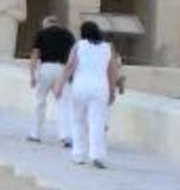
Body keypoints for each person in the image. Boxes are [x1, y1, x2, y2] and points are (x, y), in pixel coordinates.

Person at [58, 18, 117, 167]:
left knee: (78, 121)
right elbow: (111, 71)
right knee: (97, 122)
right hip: (100, 88)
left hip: (80, 87)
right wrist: (112, 91)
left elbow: (69, 66)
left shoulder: (79, 46)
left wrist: (60, 85)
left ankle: (78, 155)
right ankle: (97, 155)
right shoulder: (108, 47)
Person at [27, 14, 74, 145]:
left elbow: (35, 54)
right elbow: (73, 56)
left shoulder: (42, 33)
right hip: (62, 69)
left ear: (45, 24)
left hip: (46, 68)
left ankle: (35, 133)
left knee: (40, 101)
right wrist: (71, 75)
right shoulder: (68, 34)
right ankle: (65, 135)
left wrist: (32, 75)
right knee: (63, 103)